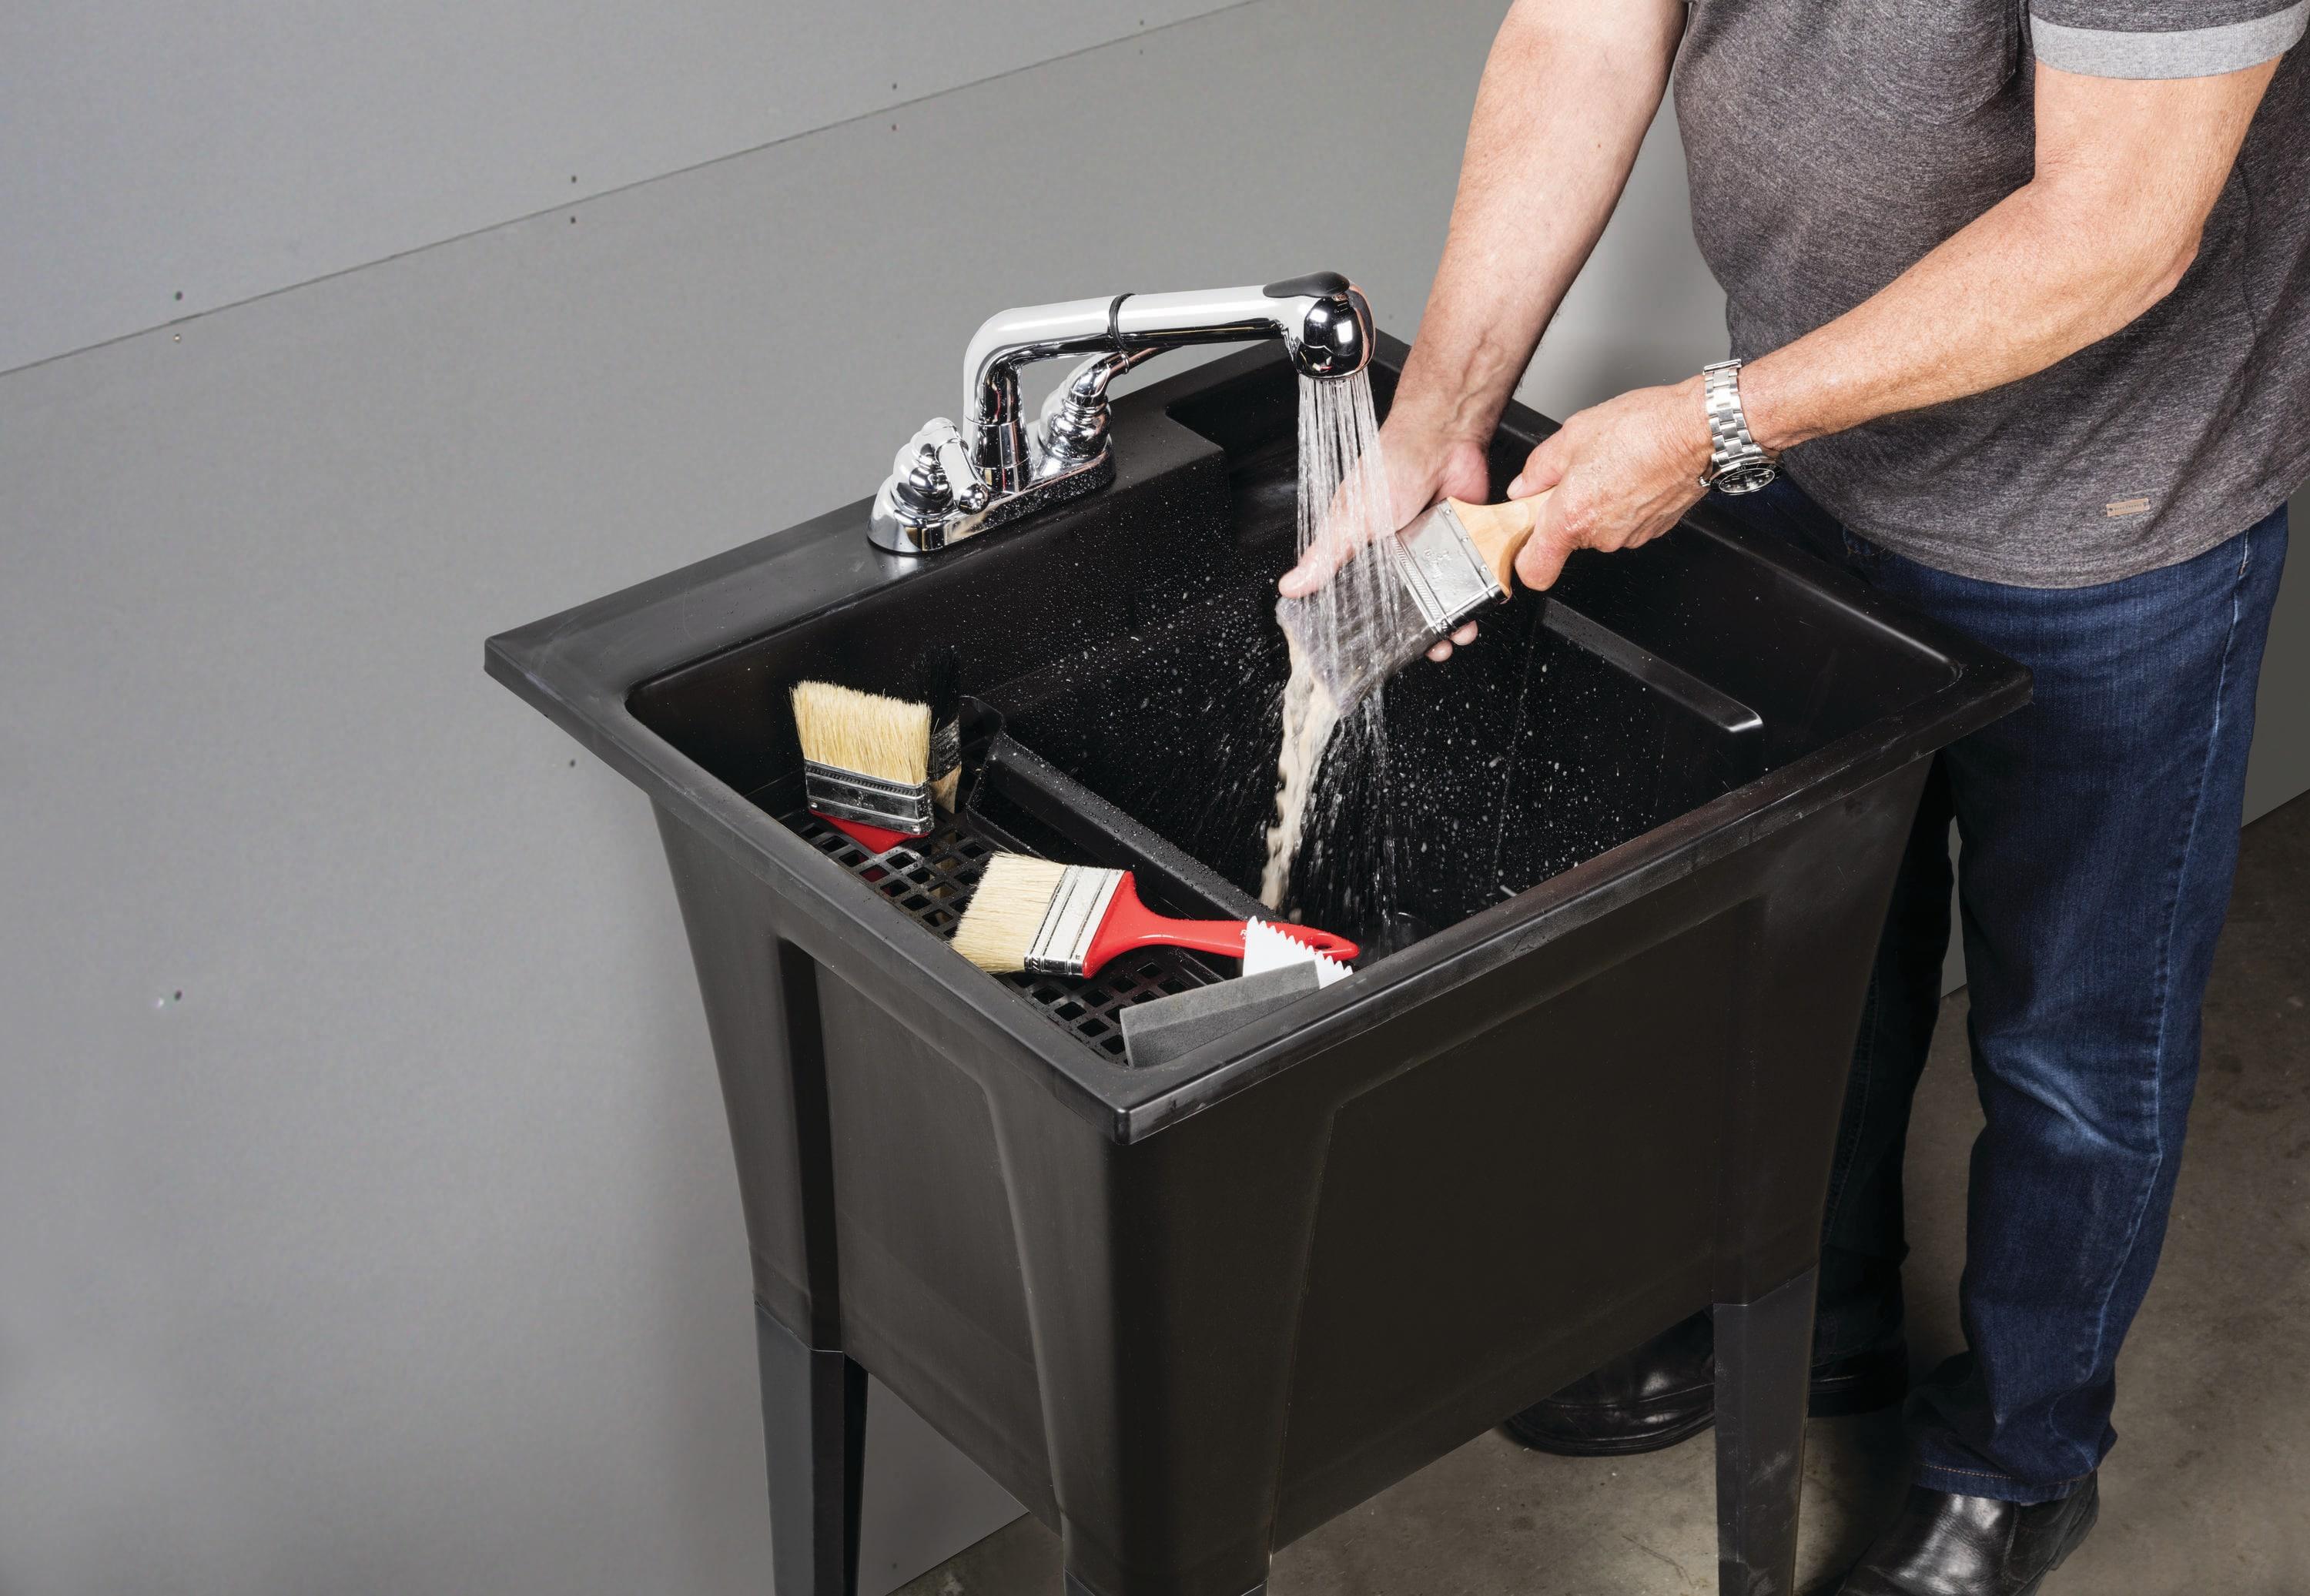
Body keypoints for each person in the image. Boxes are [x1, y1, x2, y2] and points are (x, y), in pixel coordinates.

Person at [1281, 2, 2304, 1589]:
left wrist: (1717, 426)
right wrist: (1439, 415)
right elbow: (1584, 25)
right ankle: (1803, 1313)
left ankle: (2021, 1456)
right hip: (1814, 454)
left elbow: (2120, 225)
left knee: (2077, 1044)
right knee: (1817, 955)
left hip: (2110, 505)